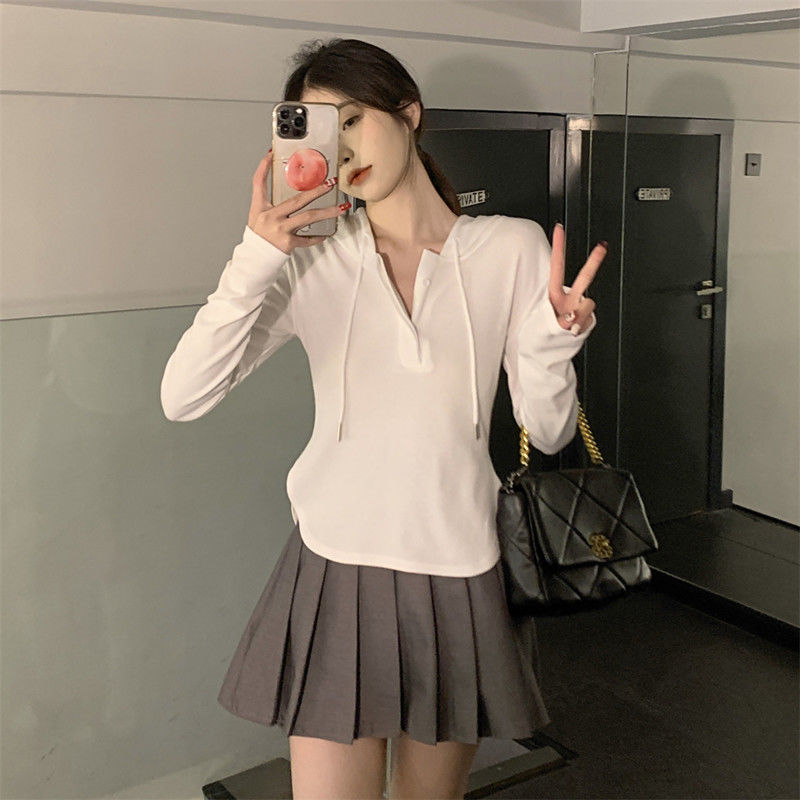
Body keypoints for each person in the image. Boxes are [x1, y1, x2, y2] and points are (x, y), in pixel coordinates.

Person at [161, 37, 605, 800]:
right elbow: (184, 396)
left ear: (409, 113)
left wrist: (551, 342)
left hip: (460, 569)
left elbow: (551, 429)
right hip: (335, 565)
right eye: (321, 130)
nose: (342, 149)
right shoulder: (309, 258)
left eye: (354, 120)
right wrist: (258, 253)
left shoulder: (509, 247)